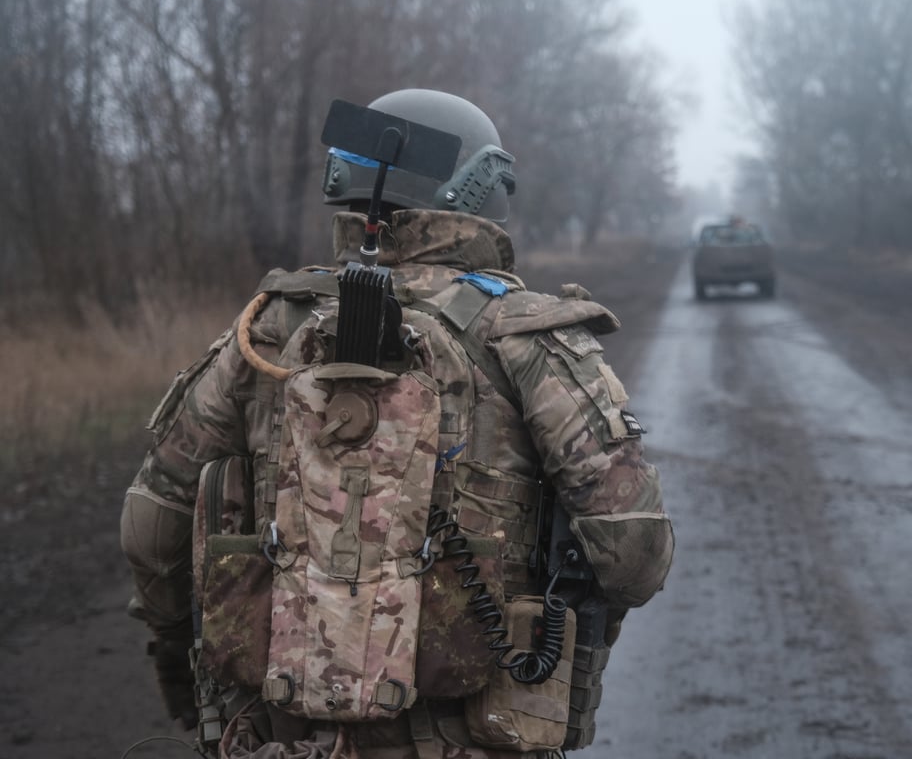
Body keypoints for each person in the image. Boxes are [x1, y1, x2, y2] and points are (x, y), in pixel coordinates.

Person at [120, 88, 674, 758]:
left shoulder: (265, 327)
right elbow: (634, 556)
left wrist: (190, 657)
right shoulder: (529, 337)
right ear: (479, 187)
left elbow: (153, 530)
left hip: (273, 738)